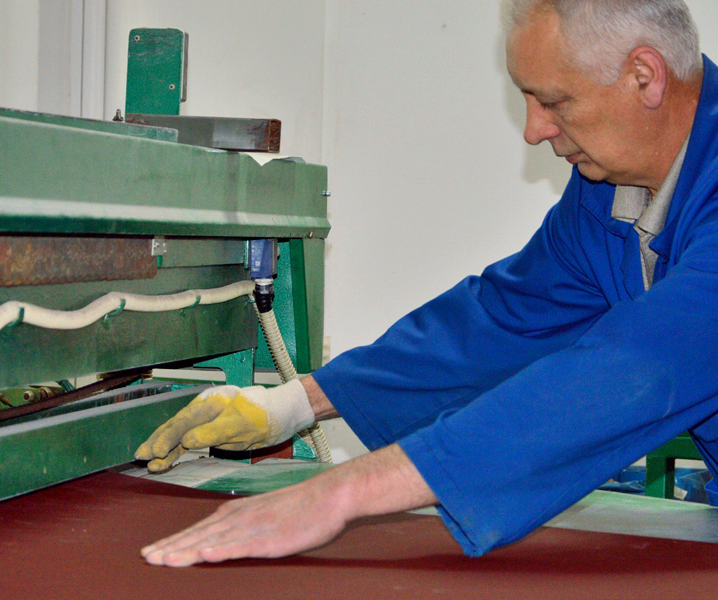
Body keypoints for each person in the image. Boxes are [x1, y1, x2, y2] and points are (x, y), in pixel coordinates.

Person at [136, 0, 718, 567]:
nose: (534, 130)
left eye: (553, 101)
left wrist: (341, 492)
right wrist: (291, 404)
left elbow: (643, 364)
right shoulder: (605, 193)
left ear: (645, 76)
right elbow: (499, 322)